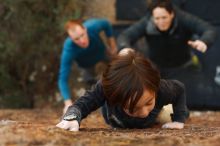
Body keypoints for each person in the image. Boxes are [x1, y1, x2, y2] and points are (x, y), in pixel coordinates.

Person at [56, 48, 189, 131]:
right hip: (116, 120)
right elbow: (81, 105)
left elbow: (180, 88)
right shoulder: (107, 88)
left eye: (148, 102)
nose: (143, 112)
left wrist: (179, 119)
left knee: (174, 114)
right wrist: (71, 118)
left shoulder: (159, 87)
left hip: (154, 117)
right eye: (133, 107)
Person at [117, 0, 217, 79]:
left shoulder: (183, 18)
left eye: (164, 17)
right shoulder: (147, 22)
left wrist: (204, 41)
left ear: (172, 14)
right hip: (157, 65)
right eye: (157, 18)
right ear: (152, 16)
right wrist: (124, 48)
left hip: (184, 63)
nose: (161, 22)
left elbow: (209, 29)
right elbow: (125, 36)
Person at [58, 18, 118, 113]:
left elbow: (106, 24)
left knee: (118, 66)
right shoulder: (69, 49)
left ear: (85, 29)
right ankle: (100, 105)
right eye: (76, 39)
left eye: (82, 35)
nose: (82, 41)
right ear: (71, 39)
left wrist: (112, 43)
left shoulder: (92, 26)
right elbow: (62, 79)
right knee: (91, 83)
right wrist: (67, 102)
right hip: (86, 65)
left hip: (103, 53)